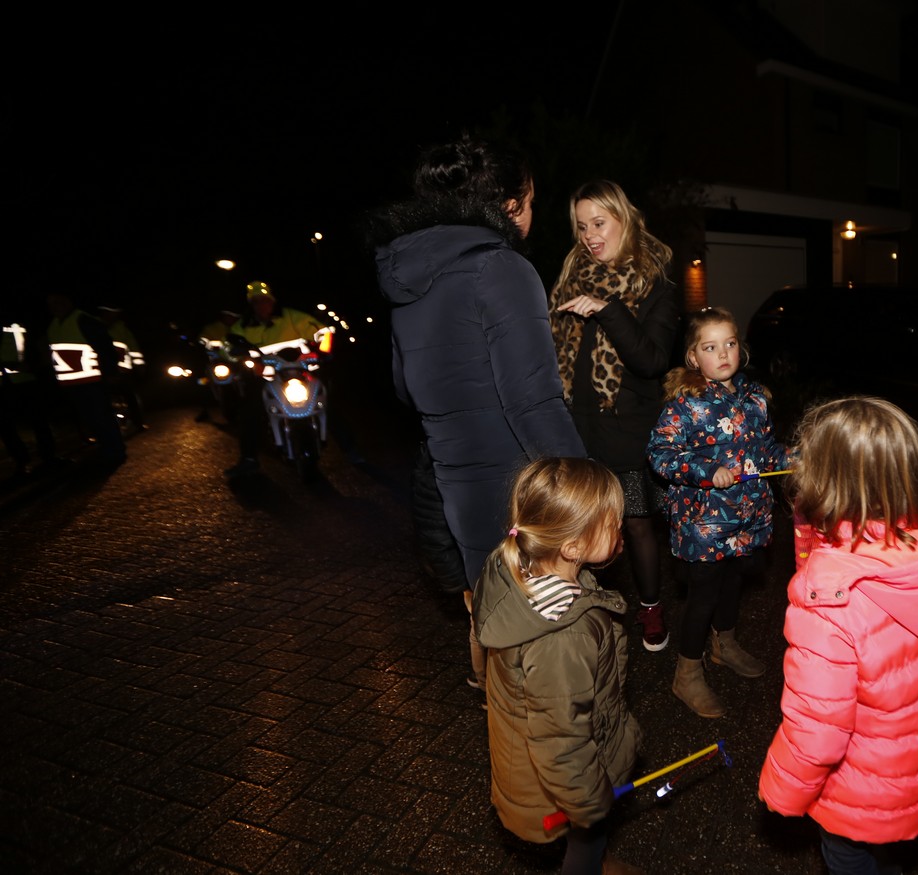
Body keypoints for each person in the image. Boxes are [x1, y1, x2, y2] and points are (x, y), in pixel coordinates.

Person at [371, 131, 586, 699]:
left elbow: (405, 388)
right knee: (546, 661)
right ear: (511, 205)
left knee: (494, 633)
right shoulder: (502, 268)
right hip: (519, 492)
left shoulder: (407, 277)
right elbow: (533, 400)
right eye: (532, 201)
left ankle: (509, 748)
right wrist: (585, 486)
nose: (533, 213)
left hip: (457, 489)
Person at [757, 396, 918, 875]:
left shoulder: (830, 597)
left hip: (857, 791)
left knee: (849, 859)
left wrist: (781, 790)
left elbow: (817, 732)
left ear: (823, 481)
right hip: (917, 770)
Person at [472, 457, 643, 875]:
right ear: (572, 547)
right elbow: (562, 741)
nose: (620, 529)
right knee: (586, 840)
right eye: (612, 523)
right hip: (568, 782)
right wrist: (589, 802)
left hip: (538, 756)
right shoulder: (565, 637)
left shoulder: (516, 567)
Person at [549, 179, 681, 653]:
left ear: (623, 219)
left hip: (628, 429)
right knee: (580, 527)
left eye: (599, 223)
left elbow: (651, 360)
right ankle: (581, 609)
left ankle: (651, 608)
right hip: (577, 428)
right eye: (582, 226)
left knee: (636, 524)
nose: (589, 235)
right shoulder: (571, 277)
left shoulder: (654, 282)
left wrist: (609, 309)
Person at [647, 306, 793, 719]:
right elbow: (660, 453)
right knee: (703, 595)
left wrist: (794, 457)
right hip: (704, 523)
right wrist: (706, 471)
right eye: (710, 347)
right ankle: (687, 673)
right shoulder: (686, 404)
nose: (723, 353)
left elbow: (765, 451)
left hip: (747, 516)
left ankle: (723, 644)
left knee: (734, 583)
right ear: (693, 357)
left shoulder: (754, 397)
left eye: (729, 343)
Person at [224, 281, 326, 478]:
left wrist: (322, 352)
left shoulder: (292, 317)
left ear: (272, 300)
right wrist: (240, 356)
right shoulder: (243, 325)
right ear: (251, 305)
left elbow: (322, 332)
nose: (261, 305)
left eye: (265, 300)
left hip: (301, 372)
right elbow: (229, 347)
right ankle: (248, 459)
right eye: (256, 302)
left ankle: (353, 451)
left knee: (328, 403)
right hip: (265, 376)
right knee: (249, 412)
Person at [45, 291, 126, 472]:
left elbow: (106, 348)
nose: (54, 307)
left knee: (102, 417)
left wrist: (110, 372)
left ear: (67, 301)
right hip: (72, 384)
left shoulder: (84, 320)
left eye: (58, 301)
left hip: (93, 380)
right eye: (50, 304)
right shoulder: (53, 326)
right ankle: (106, 449)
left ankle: (115, 451)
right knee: (91, 419)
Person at [2, 312, 62, 484]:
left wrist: (36, 366)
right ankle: (22, 463)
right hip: (7, 384)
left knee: (38, 420)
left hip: (27, 380)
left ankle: (48, 458)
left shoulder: (22, 320)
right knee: (8, 426)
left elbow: (38, 345)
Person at [97, 305, 147, 432]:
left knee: (130, 395)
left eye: (115, 312)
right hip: (103, 370)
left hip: (123, 370)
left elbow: (133, 347)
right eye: (109, 312)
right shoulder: (95, 326)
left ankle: (138, 422)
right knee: (105, 398)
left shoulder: (122, 328)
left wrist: (139, 365)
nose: (112, 315)